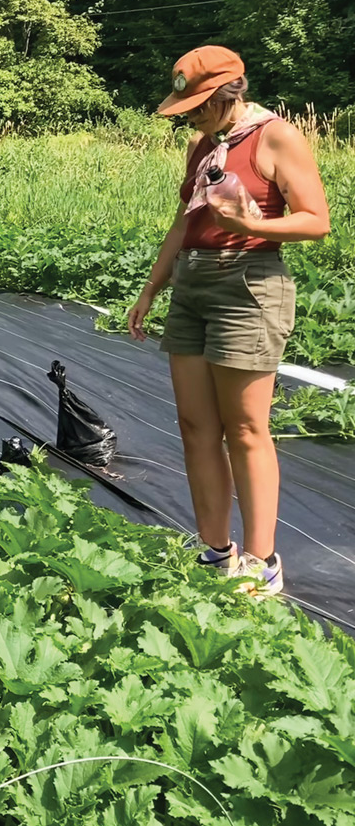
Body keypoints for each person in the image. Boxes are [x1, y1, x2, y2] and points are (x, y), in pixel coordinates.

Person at [127, 46, 330, 598]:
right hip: (192, 285)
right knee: (196, 427)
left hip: (248, 283)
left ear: (227, 94)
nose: (190, 117)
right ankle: (216, 551)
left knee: (245, 428)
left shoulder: (276, 136)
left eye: (197, 106)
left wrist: (252, 221)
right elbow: (182, 222)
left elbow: (316, 220)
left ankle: (262, 562)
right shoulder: (203, 145)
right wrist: (151, 289)